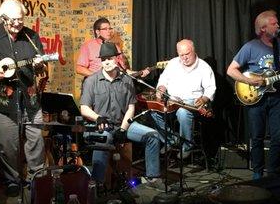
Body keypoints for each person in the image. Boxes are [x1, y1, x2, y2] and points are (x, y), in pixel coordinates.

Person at [0, 0, 47, 195]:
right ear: (2, 17)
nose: (17, 24)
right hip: (3, 101)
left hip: (30, 99)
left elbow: (41, 65)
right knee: (7, 144)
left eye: (20, 20)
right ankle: (12, 180)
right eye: (12, 20)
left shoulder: (31, 36)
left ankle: (36, 178)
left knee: (36, 139)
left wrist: (40, 64)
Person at [227, 10, 280, 180]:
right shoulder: (250, 47)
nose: (278, 26)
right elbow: (231, 70)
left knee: (277, 137)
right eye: (274, 23)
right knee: (257, 137)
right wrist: (249, 82)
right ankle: (257, 173)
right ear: (263, 28)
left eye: (277, 23)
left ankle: (274, 173)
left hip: (277, 97)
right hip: (256, 97)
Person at [80, 42, 164, 190]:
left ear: (116, 59)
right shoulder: (91, 81)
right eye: (103, 59)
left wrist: (123, 129)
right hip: (101, 125)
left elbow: (131, 107)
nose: (106, 62)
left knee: (153, 135)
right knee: (103, 139)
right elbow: (84, 108)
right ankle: (97, 185)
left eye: (110, 58)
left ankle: (153, 178)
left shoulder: (127, 80)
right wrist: (98, 117)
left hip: (123, 123)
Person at [152, 39, 216, 159]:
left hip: (191, 103)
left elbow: (211, 88)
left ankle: (187, 146)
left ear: (193, 51)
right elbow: (163, 80)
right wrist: (161, 88)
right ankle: (171, 141)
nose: (185, 58)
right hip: (172, 100)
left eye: (187, 54)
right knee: (153, 111)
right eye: (181, 55)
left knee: (182, 112)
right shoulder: (172, 63)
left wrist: (204, 98)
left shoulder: (203, 67)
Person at [76, 17, 149, 80]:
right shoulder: (88, 46)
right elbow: (79, 69)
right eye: (105, 29)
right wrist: (99, 77)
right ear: (97, 32)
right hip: (96, 86)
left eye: (110, 28)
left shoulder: (115, 47)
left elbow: (123, 70)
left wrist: (139, 73)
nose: (109, 31)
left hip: (114, 85)